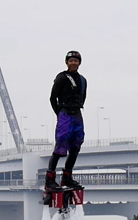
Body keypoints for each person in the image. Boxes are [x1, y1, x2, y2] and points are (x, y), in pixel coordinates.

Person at [45, 50, 87, 193]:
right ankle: (50, 179)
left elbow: (83, 97)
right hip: (64, 113)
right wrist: (59, 114)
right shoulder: (62, 77)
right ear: (67, 62)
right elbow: (52, 98)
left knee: (76, 146)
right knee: (60, 145)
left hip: (77, 114)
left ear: (79, 63)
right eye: (71, 61)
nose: (73, 63)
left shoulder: (82, 80)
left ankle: (67, 177)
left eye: (76, 61)